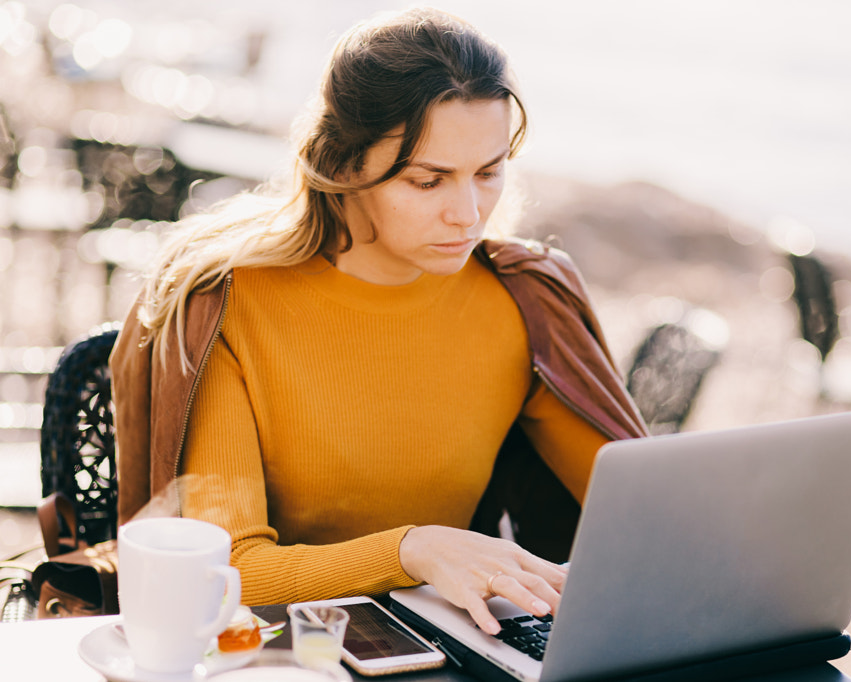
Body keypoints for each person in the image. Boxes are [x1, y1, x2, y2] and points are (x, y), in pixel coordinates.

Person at [110, 6, 647, 636]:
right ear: (344, 166)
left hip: (460, 653)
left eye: (489, 172)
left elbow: (645, 515)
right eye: (428, 181)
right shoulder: (230, 302)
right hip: (278, 659)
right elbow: (232, 569)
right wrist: (410, 551)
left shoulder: (525, 300)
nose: (467, 213)